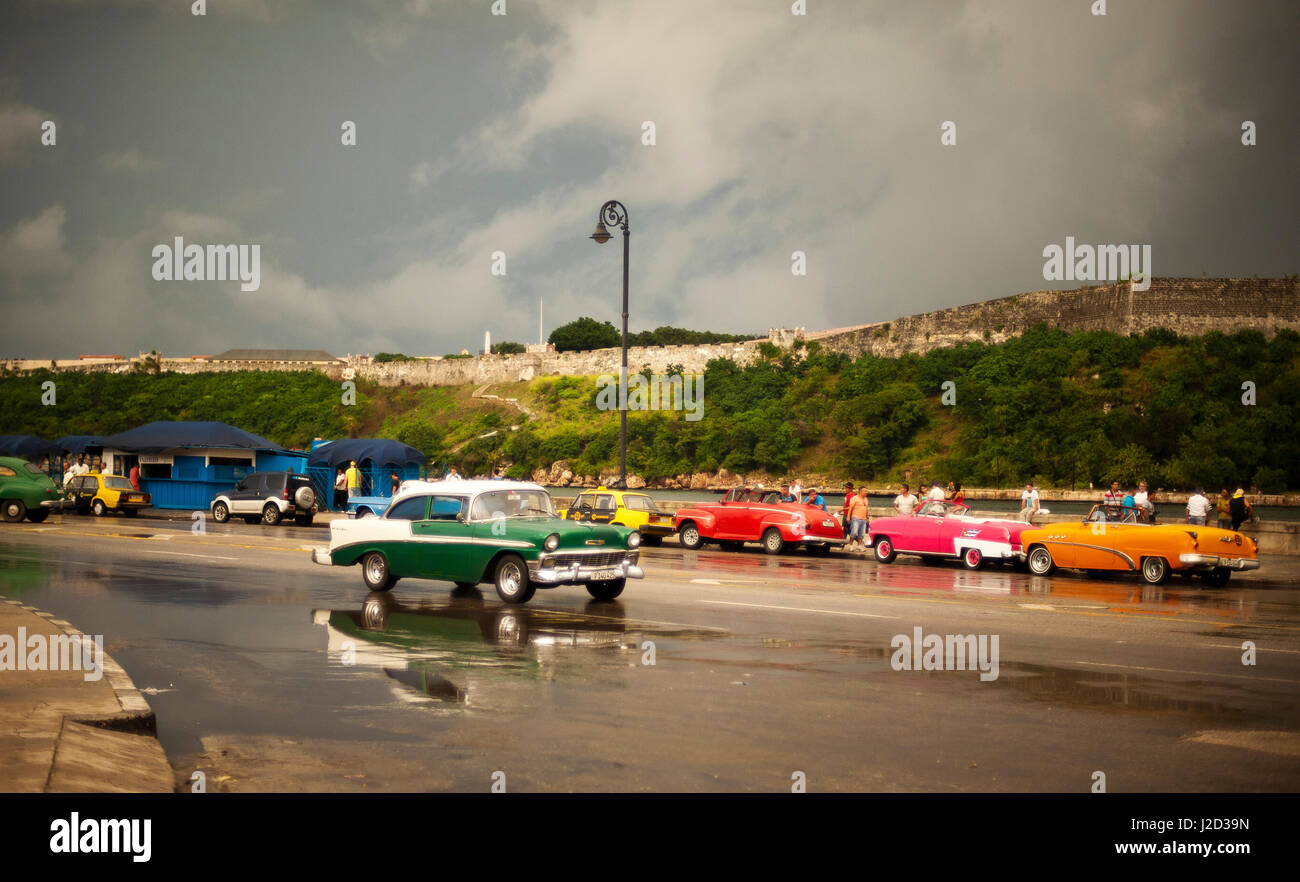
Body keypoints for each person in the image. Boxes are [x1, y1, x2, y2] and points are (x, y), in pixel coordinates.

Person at [846, 486, 871, 551]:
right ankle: (851, 545)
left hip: (863, 519)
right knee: (854, 533)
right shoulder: (854, 498)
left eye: (866, 491)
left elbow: (866, 509)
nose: (866, 492)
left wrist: (867, 517)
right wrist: (848, 517)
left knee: (862, 534)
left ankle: (859, 545)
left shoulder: (866, 499)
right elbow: (850, 508)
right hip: (855, 518)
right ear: (860, 492)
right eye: (865, 491)